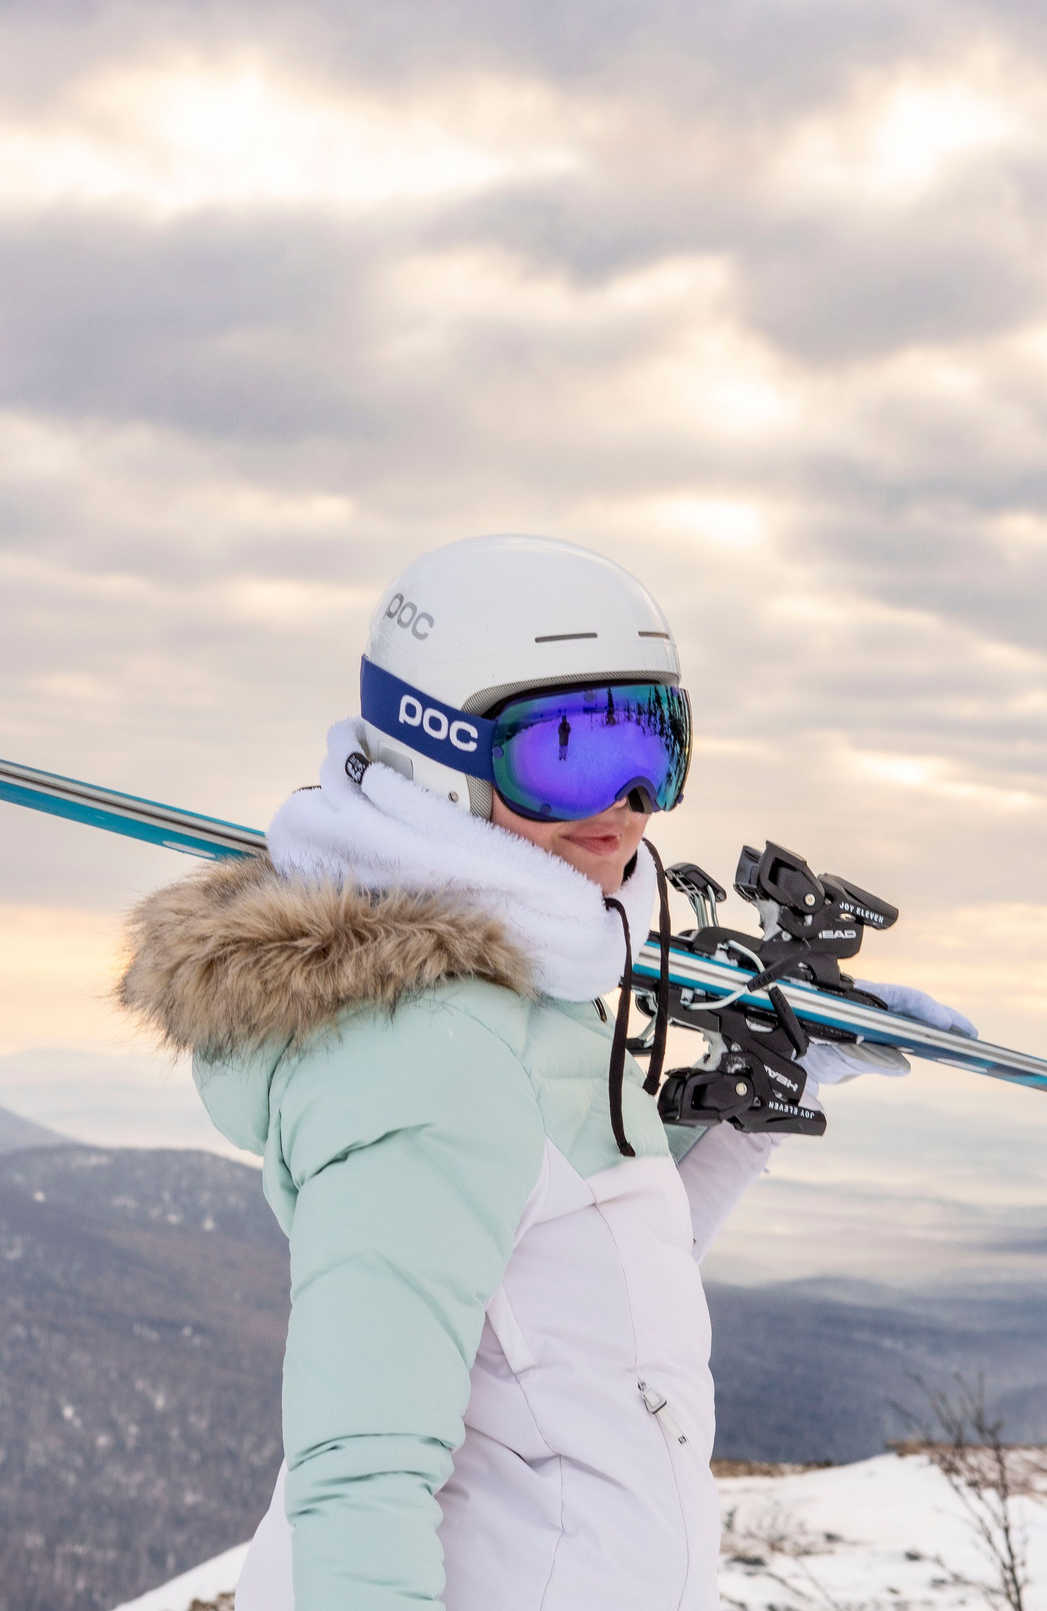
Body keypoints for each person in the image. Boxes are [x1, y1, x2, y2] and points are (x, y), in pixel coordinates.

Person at [118, 535, 970, 1611]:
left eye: (653, 748)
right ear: (444, 753)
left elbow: (589, 1288)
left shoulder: (528, 1003)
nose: (625, 803)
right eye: (566, 752)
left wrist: (765, 1097)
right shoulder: (434, 1052)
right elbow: (362, 1475)